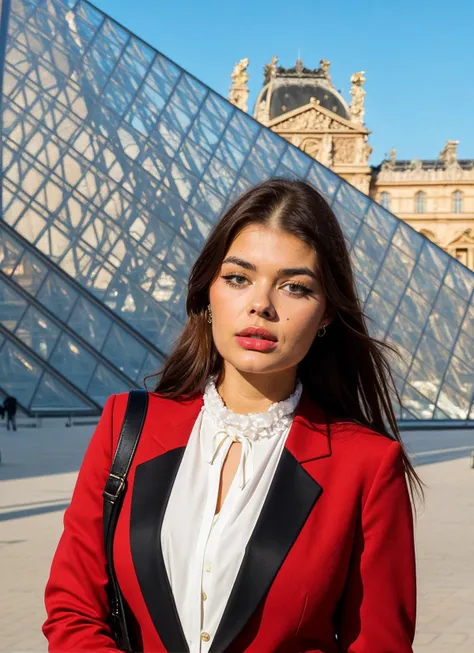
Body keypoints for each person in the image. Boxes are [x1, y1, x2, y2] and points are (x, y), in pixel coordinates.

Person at [43, 178, 422, 652]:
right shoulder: (127, 426)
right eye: (239, 278)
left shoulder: (367, 465)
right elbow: (73, 609)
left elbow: (379, 645)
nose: (260, 304)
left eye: (295, 287)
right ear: (206, 293)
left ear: (326, 313)